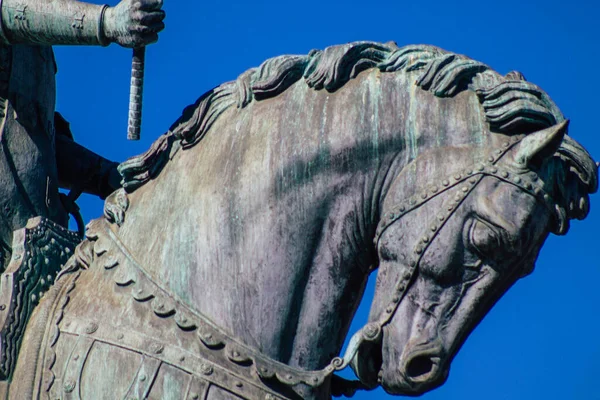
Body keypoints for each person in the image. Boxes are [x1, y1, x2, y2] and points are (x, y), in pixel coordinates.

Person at [0, 0, 165, 266]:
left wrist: (106, 175)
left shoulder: (36, 53)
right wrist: (109, 22)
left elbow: (36, 144)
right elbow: (9, 15)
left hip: (42, 245)